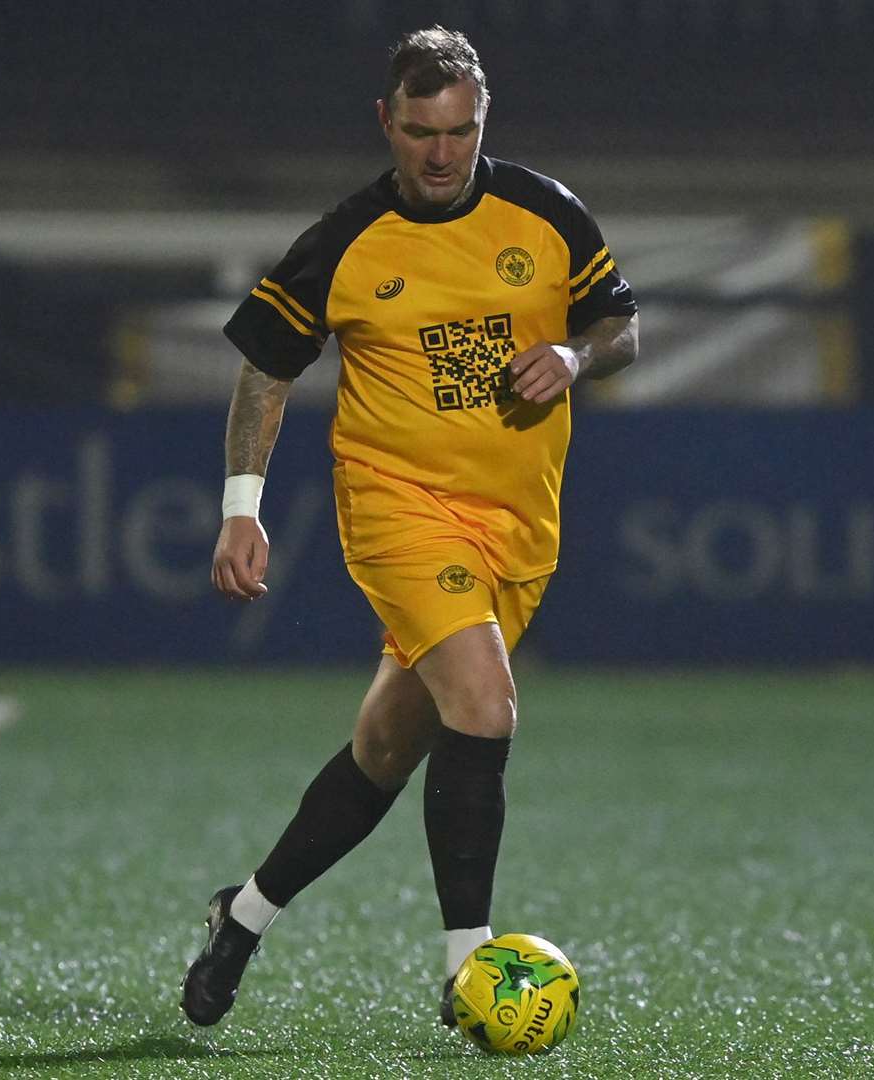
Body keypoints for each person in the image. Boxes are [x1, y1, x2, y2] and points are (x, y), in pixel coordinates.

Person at [182, 25, 638, 1029]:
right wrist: (240, 512)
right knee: (484, 704)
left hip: (518, 527)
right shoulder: (346, 240)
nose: (441, 153)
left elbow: (619, 324)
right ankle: (466, 972)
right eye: (421, 132)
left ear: (483, 123)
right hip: (397, 509)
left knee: (385, 748)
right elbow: (265, 367)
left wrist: (569, 356)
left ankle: (242, 914)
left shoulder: (544, 211)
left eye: (460, 131)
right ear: (384, 123)